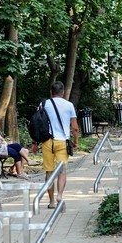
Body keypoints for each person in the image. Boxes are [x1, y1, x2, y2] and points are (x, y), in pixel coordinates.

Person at [42, 81, 79, 209]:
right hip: (62, 141)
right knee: (62, 171)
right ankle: (60, 195)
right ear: (62, 92)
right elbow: (74, 127)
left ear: (51, 92)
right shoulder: (69, 105)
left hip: (47, 141)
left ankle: (51, 201)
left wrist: (34, 143)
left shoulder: (43, 104)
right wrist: (76, 141)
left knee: (49, 171)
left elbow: (37, 124)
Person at [0, 114, 35, 180]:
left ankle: (21, 168)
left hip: (2, 147)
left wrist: (2, 140)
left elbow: (1, 139)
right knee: (16, 153)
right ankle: (20, 173)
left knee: (17, 146)